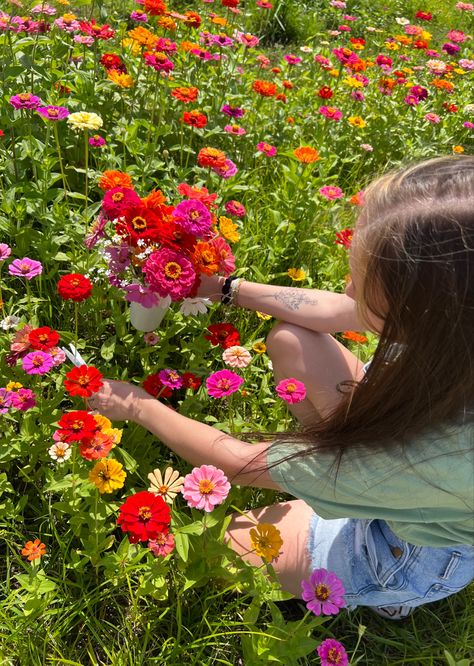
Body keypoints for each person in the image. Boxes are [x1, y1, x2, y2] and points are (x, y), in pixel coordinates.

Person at [89, 156, 474, 619]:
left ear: (420, 308)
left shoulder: (438, 455)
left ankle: (390, 593)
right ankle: (333, 485)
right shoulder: (453, 318)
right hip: (405, 466)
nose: (347, 287)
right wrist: (222, 287)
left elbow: (238, 463)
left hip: (402, 547)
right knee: (292, 340)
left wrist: (138, 405)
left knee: (222, 549)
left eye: (362, 280)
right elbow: (333, 311)